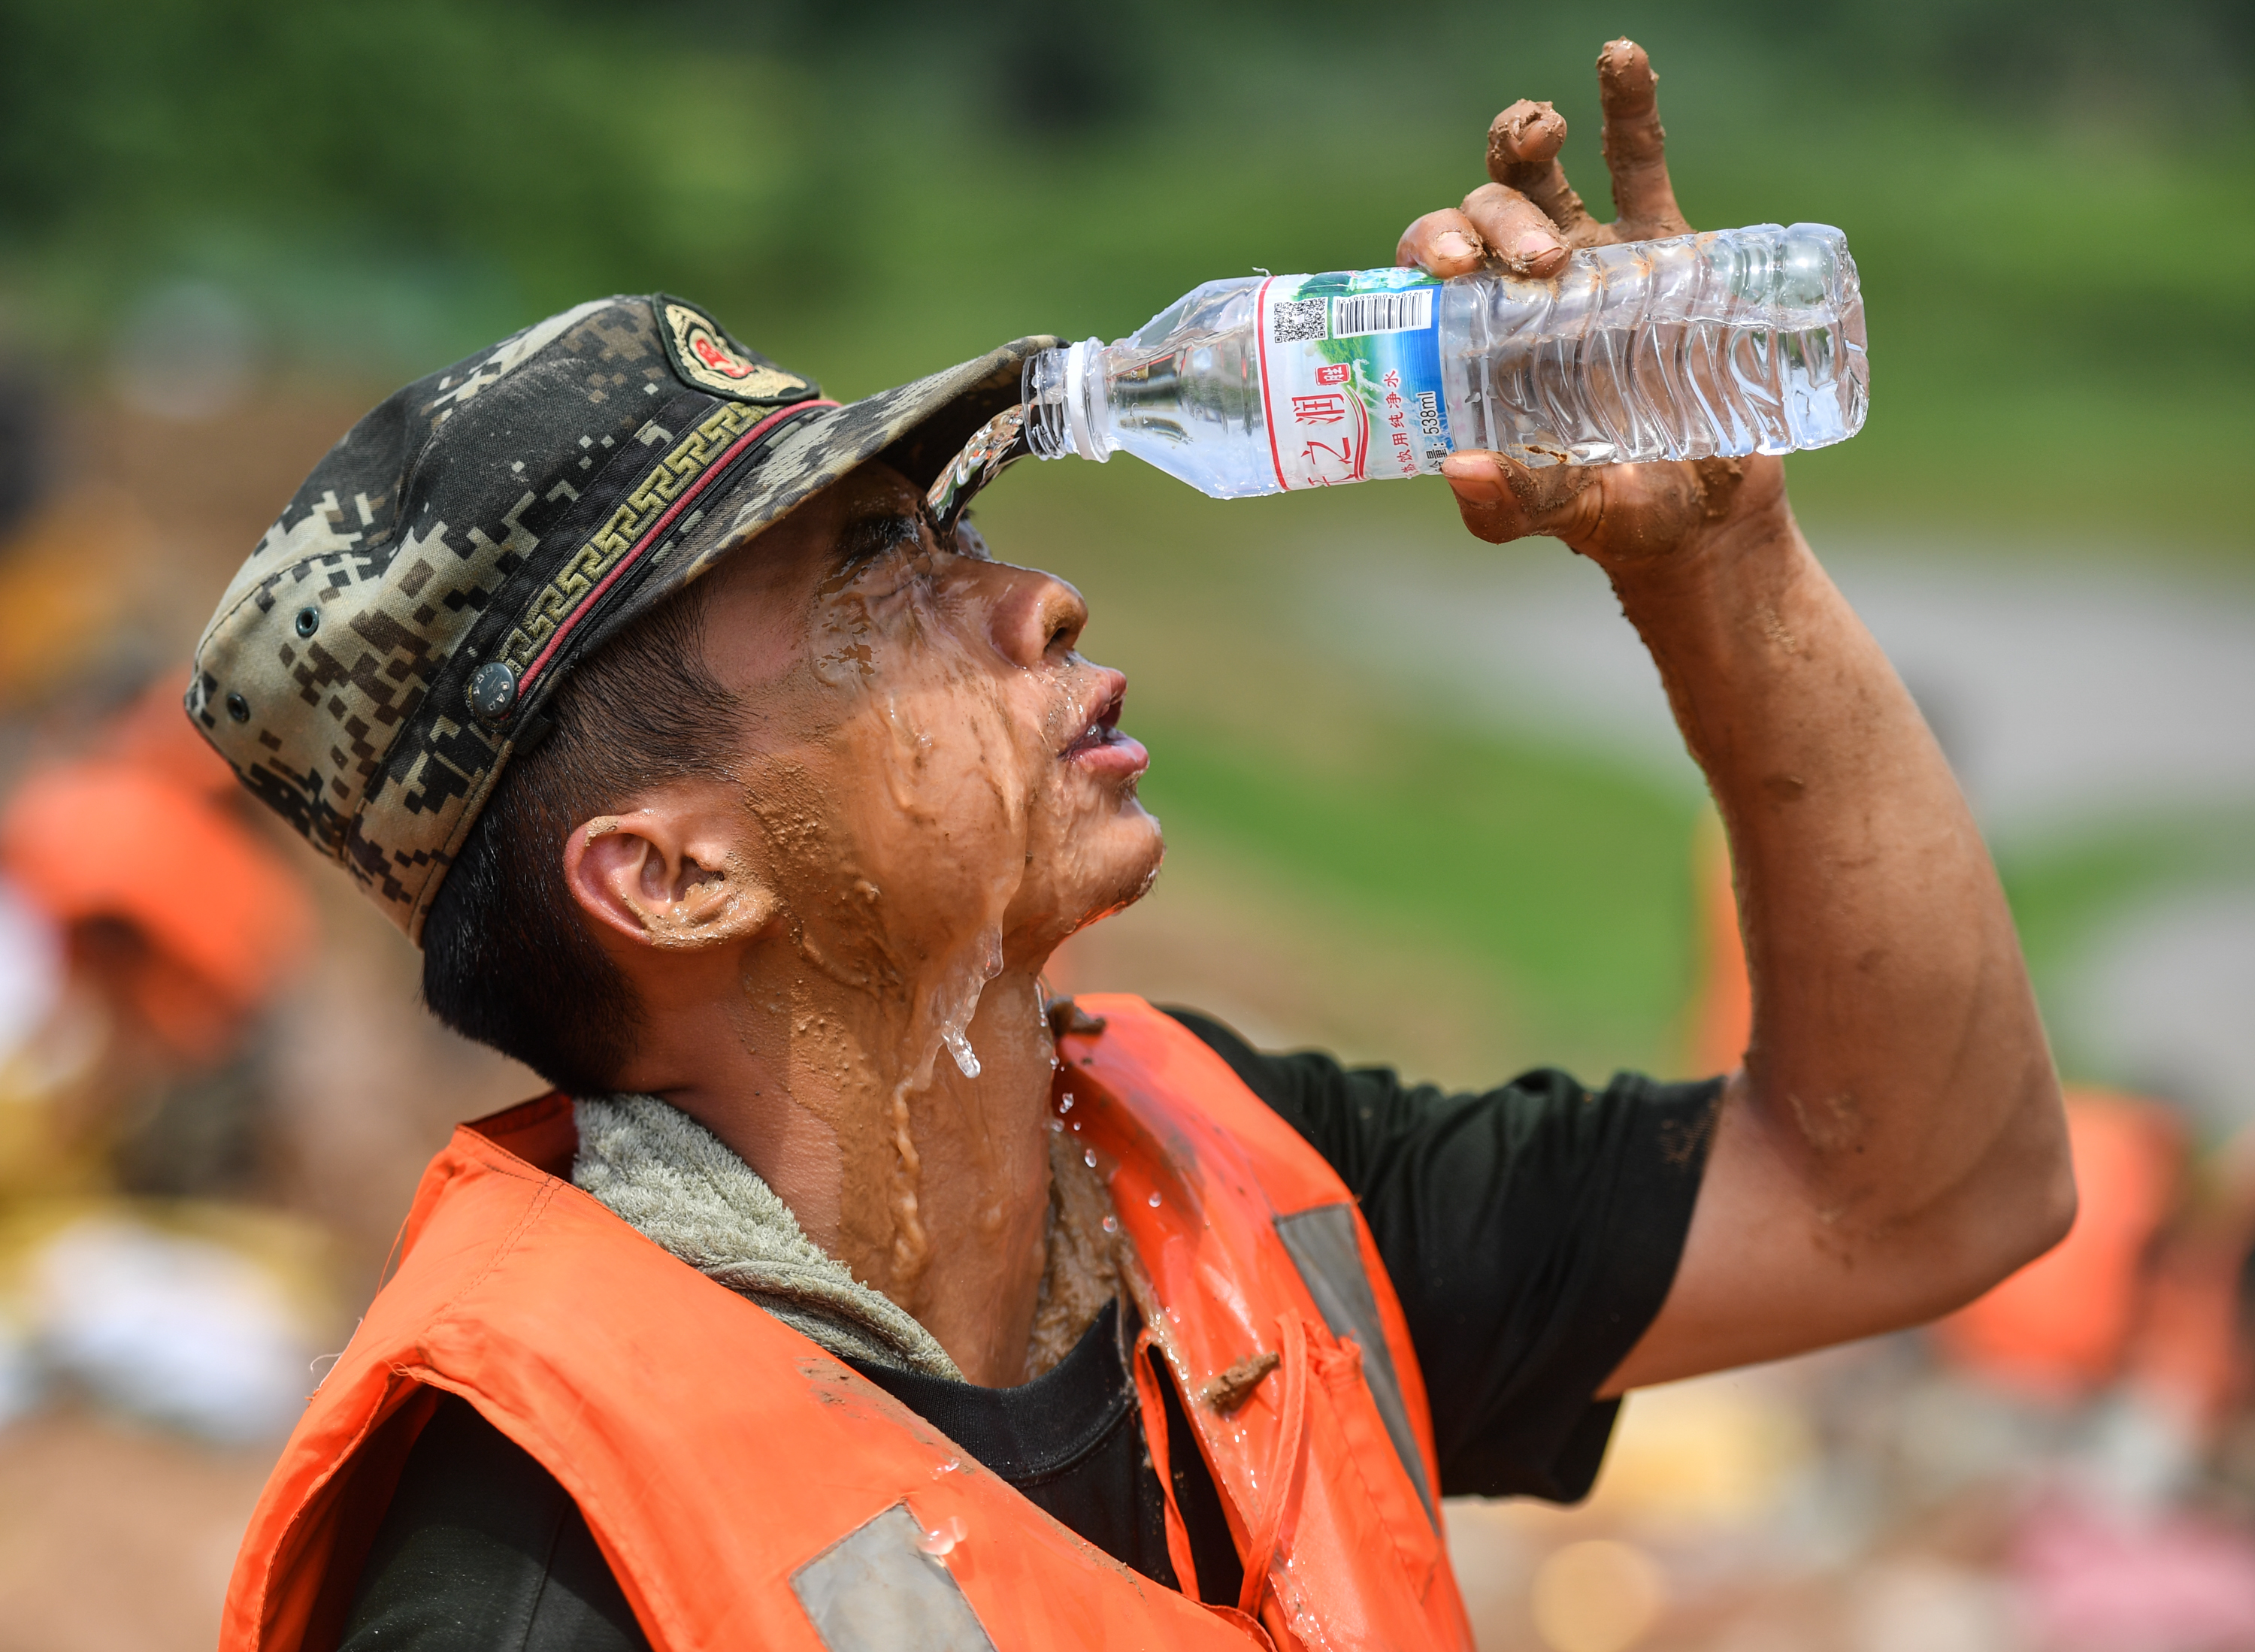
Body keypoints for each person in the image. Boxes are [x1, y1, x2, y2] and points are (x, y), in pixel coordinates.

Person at [201, 41, 2071, 1652]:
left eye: (951, 530)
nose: (1041, 597)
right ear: (676, 877)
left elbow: (1924, 1188)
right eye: (881, 579)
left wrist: (1719, 562)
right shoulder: (548, 1560)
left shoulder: (1232, 1193)